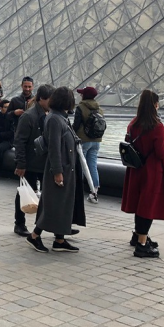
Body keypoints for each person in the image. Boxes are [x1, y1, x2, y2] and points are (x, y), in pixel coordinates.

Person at [27, 87, 86, 253]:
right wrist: (58, 172)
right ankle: (34, 236)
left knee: (62, 203)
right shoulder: (55, 119)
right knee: (53, 204)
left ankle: (59, 239)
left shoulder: (59, 117)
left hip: (67, 168)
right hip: (61, 169)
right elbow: (54, 147)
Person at [121, 90, 164, 258]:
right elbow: (162, 152)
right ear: (155, 104)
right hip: (152, 172)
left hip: (136, 170)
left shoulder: (133, 123)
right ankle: (142, 244)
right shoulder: (157, 126)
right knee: (148, 205)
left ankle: (137, 235)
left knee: (140, 203)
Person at [13, 84, 53, 236]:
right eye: (50, 99)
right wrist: (21, 163)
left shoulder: (48, 114)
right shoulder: (28, 116)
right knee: (23, 193)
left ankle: (40, 224)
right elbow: (20, 141)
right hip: (30, 163)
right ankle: (19, 223)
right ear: (42, 99)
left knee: (46, 195)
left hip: (43, 163)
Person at [73, 87, 103, 204]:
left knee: (80, 165)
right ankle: (94, 191)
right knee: (92, 165)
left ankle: (78, 190)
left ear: (85, 96)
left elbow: (76, 125)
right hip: (96, 141)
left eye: (82, 94)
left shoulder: (81, 107)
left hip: (83, 140)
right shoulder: (100, 109)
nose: (80, 96)